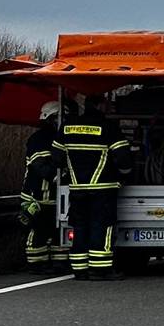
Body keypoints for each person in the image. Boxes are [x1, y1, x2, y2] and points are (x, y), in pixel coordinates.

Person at [50, 96, 134, 280]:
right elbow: (124, 159)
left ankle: (79, 269)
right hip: (103, 189)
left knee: (80, 226)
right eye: (105, 104)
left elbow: (56, 158)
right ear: (99, 106)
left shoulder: (67, 128)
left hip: (77, 189)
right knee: (102, 226)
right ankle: (100, 268)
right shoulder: (108, 128)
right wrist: (126, 175)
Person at [19, 101, 65, 274]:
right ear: (52, 118)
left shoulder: (58, 137)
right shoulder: (39, 139)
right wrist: (57, 176)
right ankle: (37, 263)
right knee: (39, 229)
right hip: (37, 195)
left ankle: (59, 263)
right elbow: (40, 166)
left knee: (57, 230)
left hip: (55, 196)